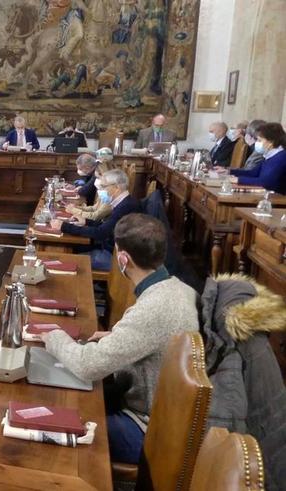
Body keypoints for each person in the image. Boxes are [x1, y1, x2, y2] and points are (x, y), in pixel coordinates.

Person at [41, 213, 199, 464]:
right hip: (163, 414)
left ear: (123, 259)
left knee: (53, 424)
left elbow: (87, 365)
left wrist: (54, 337)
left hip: (147, 431)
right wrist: (117, 335)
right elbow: (156, 338)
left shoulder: (155, 307)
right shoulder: (178, 288)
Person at [51, 169, 141, 271]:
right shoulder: (123, 202)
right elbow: (106, 226)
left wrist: (64, 226)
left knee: (67, 259)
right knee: (70, 249)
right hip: (107, 248)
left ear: (116, 187)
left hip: (113, 258)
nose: (100, 190)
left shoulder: (126, 206)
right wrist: (86, 221)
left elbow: (101, 233)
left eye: (103, 187)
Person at [229, 122, 286, 194]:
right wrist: (229, 172)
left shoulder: (281, 157)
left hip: (278, 199)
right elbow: (253, 173)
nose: (256, 143)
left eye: (259, 140)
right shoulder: (269, 156)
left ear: (271, 142)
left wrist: (238, 180)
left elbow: (267, 182)